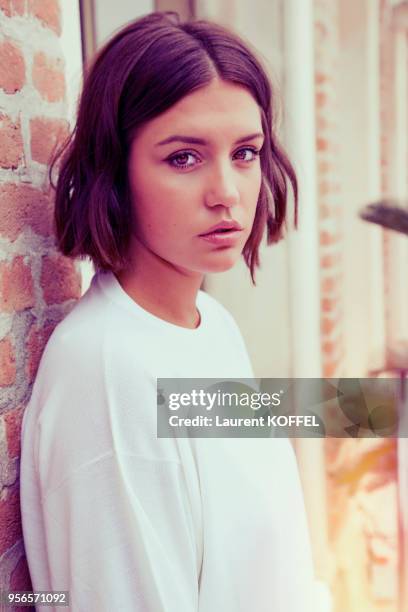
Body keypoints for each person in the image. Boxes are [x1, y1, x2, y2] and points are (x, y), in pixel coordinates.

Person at [20, 11, 315, 612]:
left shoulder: (211, 326)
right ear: (116, 171)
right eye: (184, 157)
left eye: (246, 152)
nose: (227, 192)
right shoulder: (106, 374)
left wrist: (383, 409)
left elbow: (246, 468)